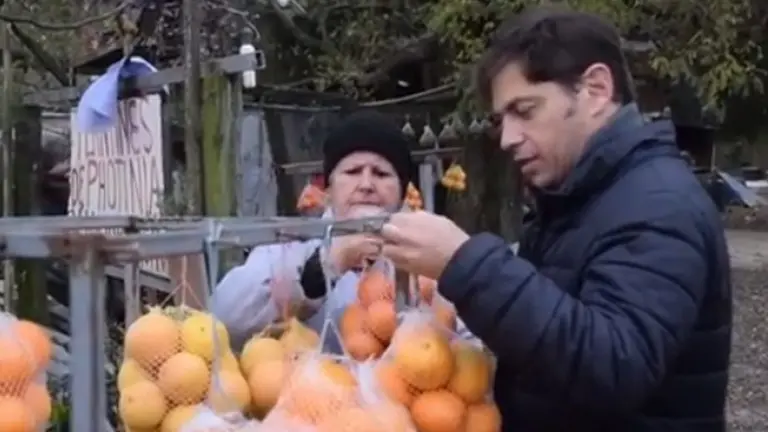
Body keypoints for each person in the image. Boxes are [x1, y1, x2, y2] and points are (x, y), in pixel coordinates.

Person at [379, 7, 731, 432]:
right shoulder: (577, 198)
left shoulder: (659, 204)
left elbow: (613, 367)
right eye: (501, 120)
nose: (507, 138)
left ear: (596, 90)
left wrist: (464, 263)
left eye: (524, 110)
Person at [210, 111, 411, 351]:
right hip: (304, 387)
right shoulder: (287, 248)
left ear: (402, 193)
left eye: (381, 174)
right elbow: (223, 319)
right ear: (329, 188)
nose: (366, 185)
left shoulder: (421, 258)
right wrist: (326, 264)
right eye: (352, 172)